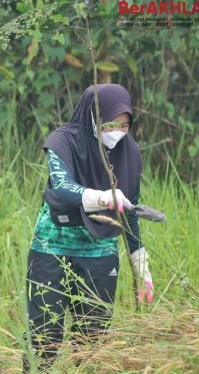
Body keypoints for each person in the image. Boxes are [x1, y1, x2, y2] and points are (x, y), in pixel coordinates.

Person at [25, 84, 154, 370]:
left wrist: (140, 263)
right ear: (93, 116)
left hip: (100, 252)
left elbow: (130, 210)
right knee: (44, 338)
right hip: (52, 248)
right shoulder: (63, 141)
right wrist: (102, 197)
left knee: (92, 342)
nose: (116, 132)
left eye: (124, 125)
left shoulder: (129, 152)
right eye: (109, 124)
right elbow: (62, 188)